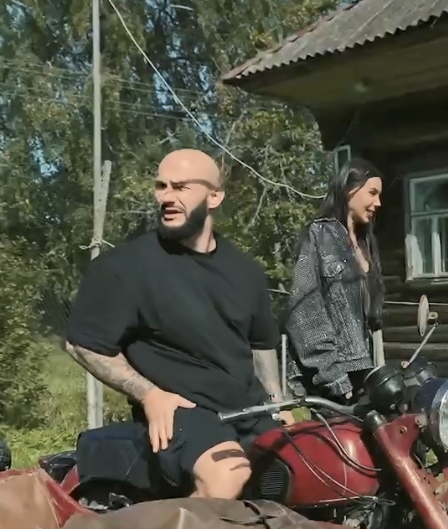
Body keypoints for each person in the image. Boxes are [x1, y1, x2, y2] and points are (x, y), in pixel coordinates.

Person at [62, 148, 286, 500]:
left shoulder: (246, 271)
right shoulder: (126, 267)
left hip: (250, 410)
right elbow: (83, 344)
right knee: (228, 475)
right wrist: (148, 394)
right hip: (184, 413)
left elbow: (261, 343)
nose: (166, 197)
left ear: (214, 197)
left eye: (181, 187)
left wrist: (277, 403)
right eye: (161, 186)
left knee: (317, 466)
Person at [283, 158, 386, 401]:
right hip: (331, 378)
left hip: (363, 372)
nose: (378, 203)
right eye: (372, 193)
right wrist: (333, 376)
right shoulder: (318, 235)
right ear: (349, 188)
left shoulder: (365, 244)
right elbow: (304, 309)